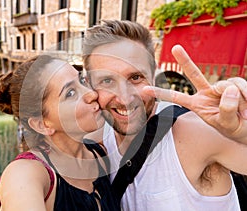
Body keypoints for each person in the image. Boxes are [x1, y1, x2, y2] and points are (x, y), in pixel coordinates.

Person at [83, 20, 247, 211]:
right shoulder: (96, 141)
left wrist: (241, 133)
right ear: (89, 84)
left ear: (153, 75)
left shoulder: (196, 132)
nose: (124, 98)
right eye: (107, 80)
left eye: (135, 77)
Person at [0, 55, 120, 211]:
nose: (92, 94)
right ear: (42, 124)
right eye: (70, 93)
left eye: (82, 80)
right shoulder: (26, 174)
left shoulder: (99, 153)